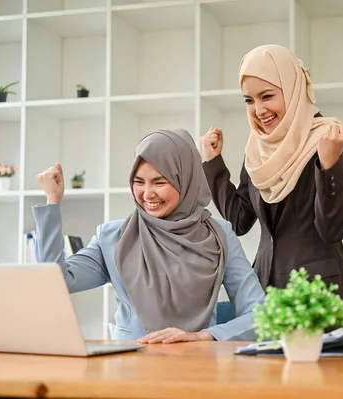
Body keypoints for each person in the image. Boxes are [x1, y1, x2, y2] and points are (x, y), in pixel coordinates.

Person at [33, 128, 265, 344]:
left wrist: (203, 337)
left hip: (197, 366)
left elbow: (260, 314)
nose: (147, 193)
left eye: (159, 182)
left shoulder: (218, 234)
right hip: (128, 368)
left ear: (185, 180)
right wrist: (52, 203)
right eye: (138, 182)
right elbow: (54, 281)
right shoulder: (113, 237)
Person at [200, 44, 343, 328]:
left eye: (267, 96)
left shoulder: (331, 140)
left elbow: (332, 230)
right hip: (265, 293)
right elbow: (240, 220)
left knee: (321, 373)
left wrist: (328, 165)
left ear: (292, 89)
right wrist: (214, 163)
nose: (259, 110)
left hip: (318, 294)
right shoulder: (257, 149)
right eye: (249, 100)